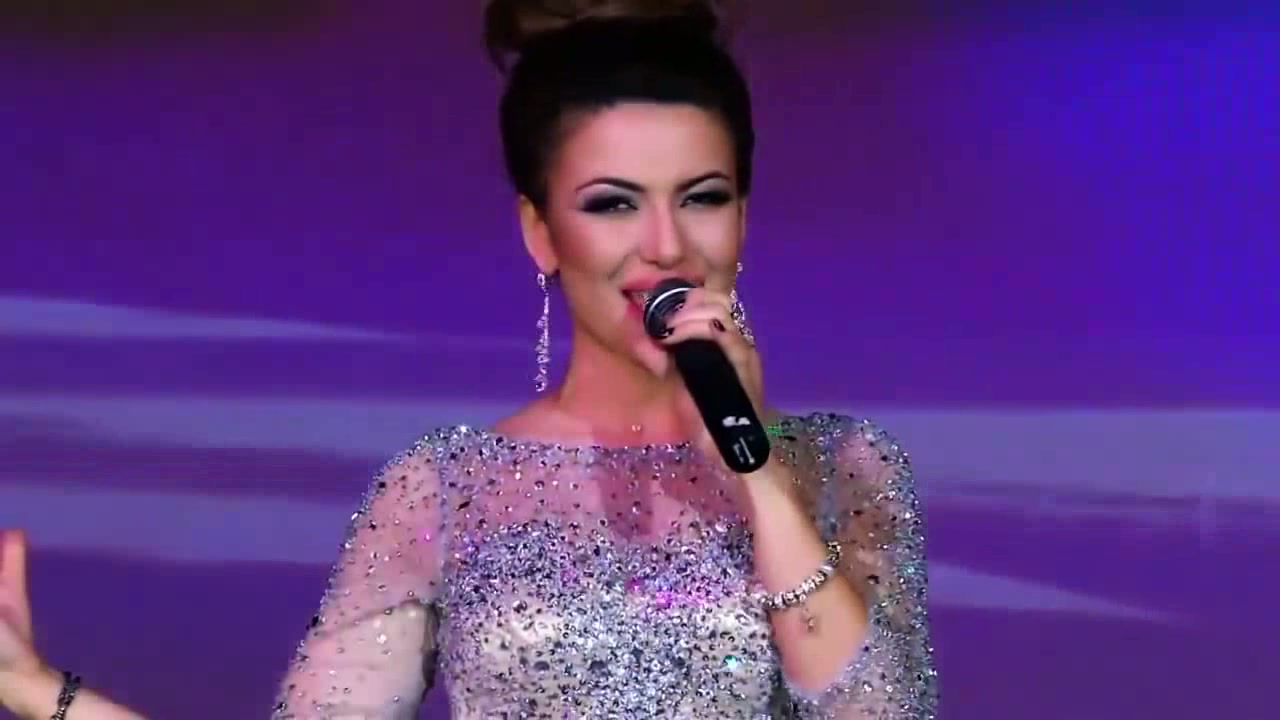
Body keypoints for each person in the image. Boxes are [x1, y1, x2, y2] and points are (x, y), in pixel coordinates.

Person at [0, 0, 939, 717]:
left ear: (742, 217)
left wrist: (759, 479)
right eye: (612, 203)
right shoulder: (444, 488)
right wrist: (39, 691)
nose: (665, 245)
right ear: (540, 231)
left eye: (702, 197)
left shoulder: (845, 466)